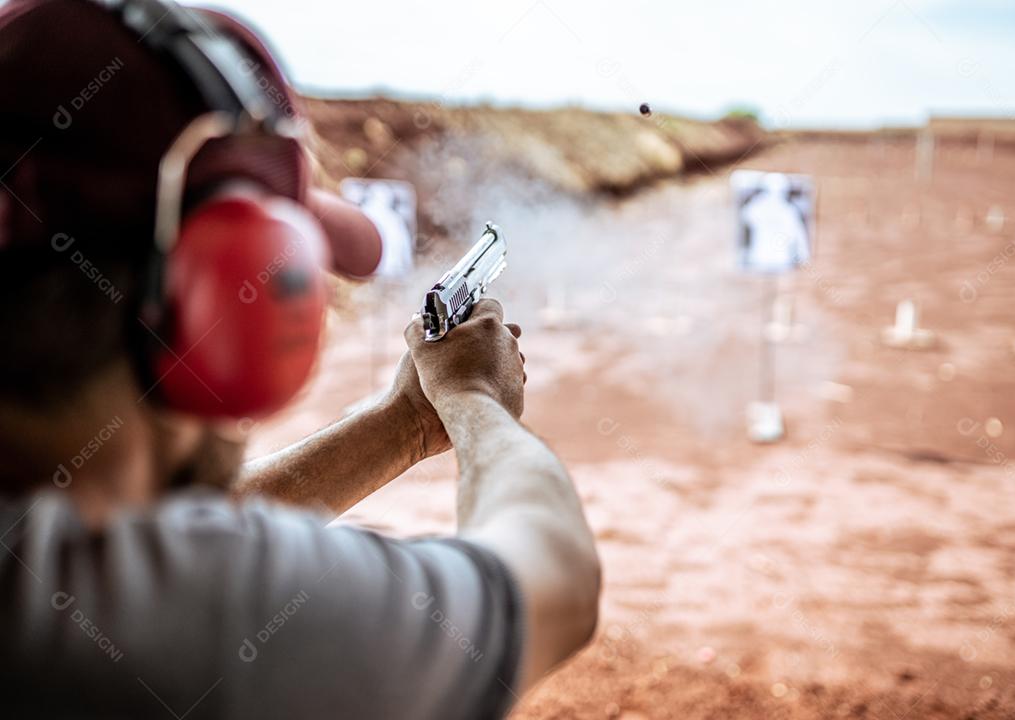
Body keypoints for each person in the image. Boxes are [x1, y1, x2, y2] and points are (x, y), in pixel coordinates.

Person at [0, 1, 601, 718]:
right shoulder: (141, 629)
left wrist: (403, 423)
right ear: (218, 297)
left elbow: (155, 556)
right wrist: (476, 403)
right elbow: (557, 584)